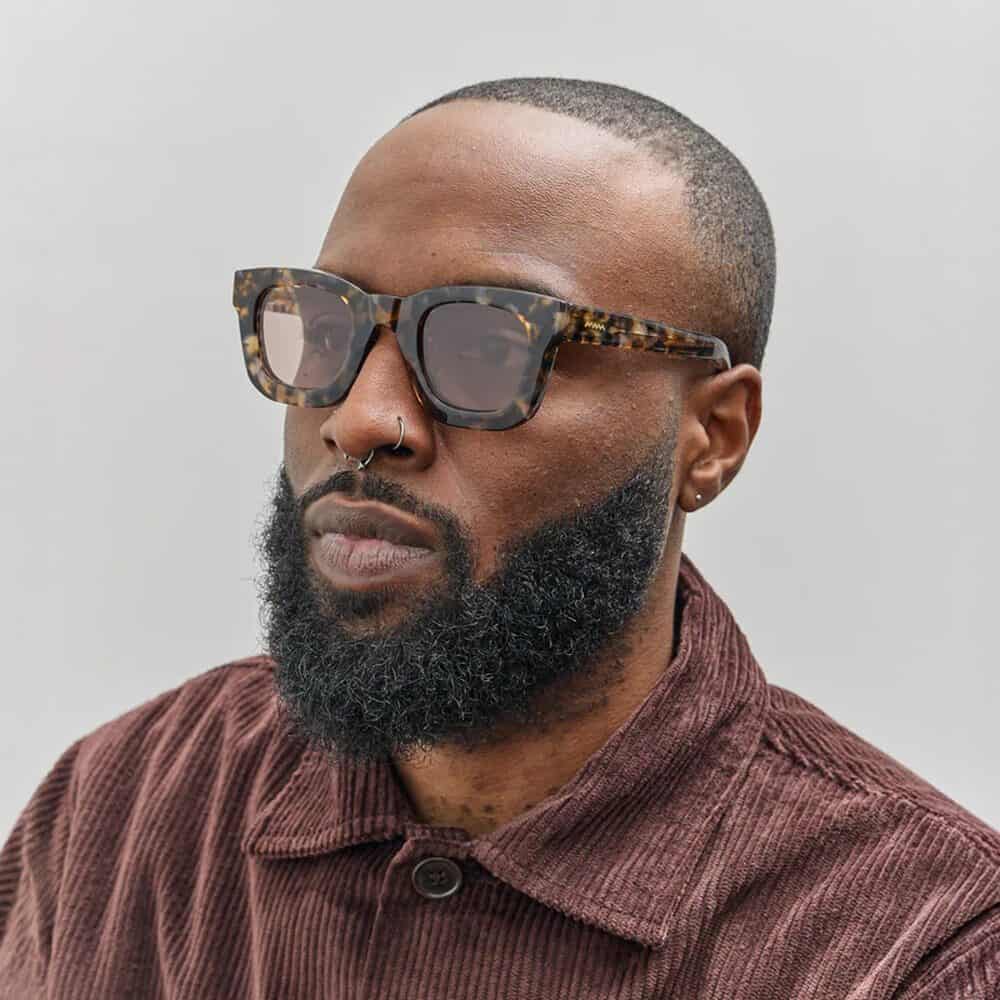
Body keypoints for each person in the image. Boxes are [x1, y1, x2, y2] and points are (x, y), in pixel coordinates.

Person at [1, 77, 997, 1000]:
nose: (361, 419)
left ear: (711, 437)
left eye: (486, 343)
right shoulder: (124, 808)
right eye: (327, 325)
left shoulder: (915, 943)